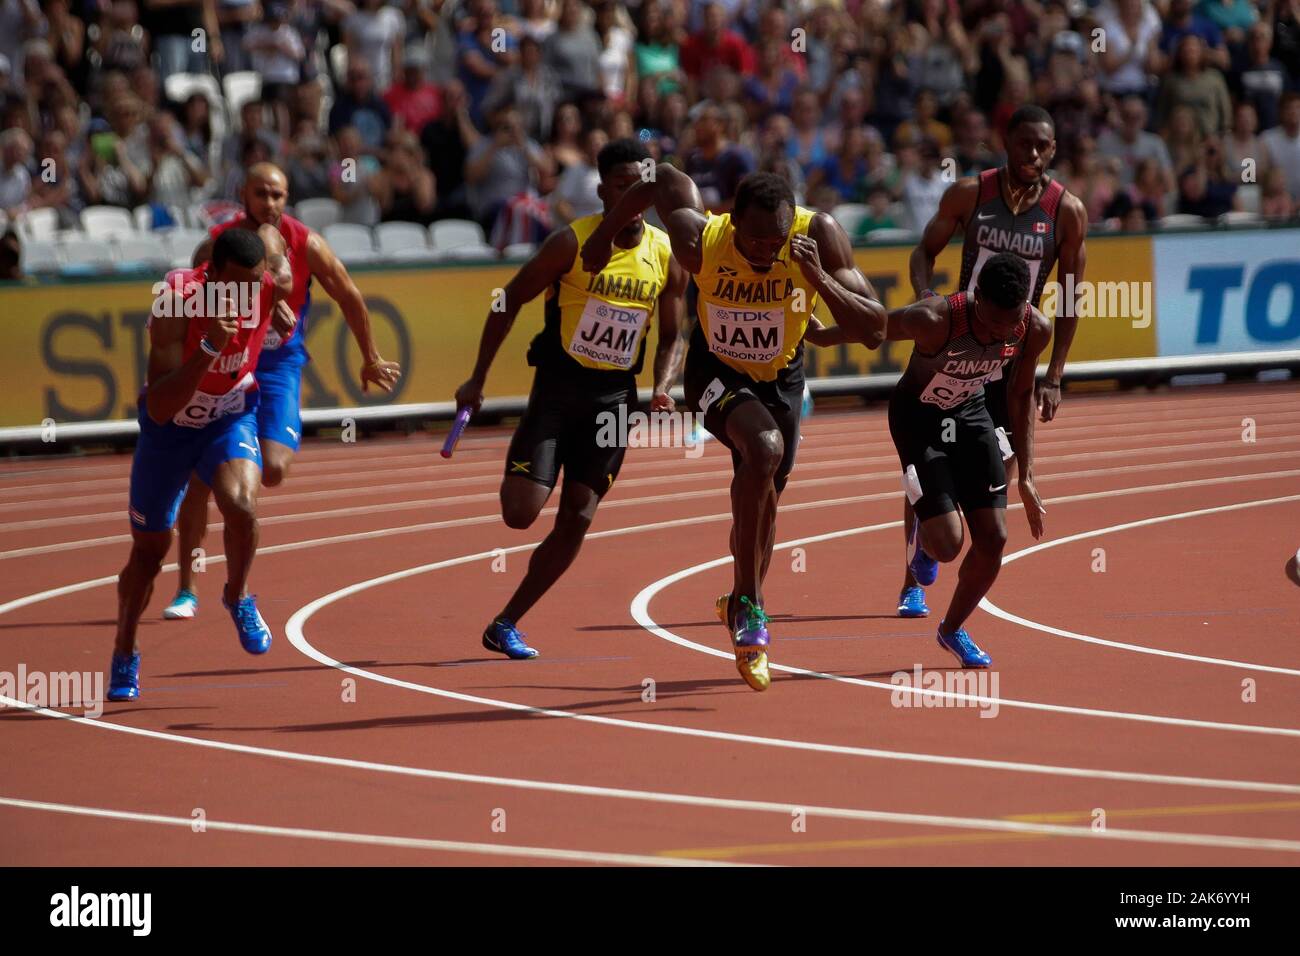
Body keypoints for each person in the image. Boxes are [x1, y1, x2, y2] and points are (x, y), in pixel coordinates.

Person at [581, 169, 885, 691]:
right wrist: (605, 231)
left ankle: (741, 592)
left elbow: (874, 330)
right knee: (764, 452)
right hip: (715, 373)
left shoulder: (818, 235)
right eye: (758, 241)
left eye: (778, 240)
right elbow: (658, 180)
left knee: (766, 499)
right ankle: (750, 605)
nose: (769, 251)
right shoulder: (700, 238)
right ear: (732, 221)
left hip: (782, 376)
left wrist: (819, 280)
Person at [454, 138, 688, 660]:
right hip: (559, 391)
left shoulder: (665, 255)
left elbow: (674, 333)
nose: (635, 199)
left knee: (578, 517)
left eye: (642, 188)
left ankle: (506, 622)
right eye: (623, 188)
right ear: (603, 192)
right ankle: (529, 467)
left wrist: (662, 388)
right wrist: (476, 379)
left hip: (614, 401)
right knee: (521, 513)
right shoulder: (570, 244)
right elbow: (507, 300)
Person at [160, 162, 402, 621]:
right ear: (243, 194)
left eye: (278, 195)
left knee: (272, 469)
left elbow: (348, 293)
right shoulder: (219, 245)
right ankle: (187, 589)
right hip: (223, 363)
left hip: (276, 366)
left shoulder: (306, 242)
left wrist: (370, 356)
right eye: (261, 193)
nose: (269, 203)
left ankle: (235, 473)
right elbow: (191, 297)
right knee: (197, 479)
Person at [899, 104, 1086, 619]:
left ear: (1053, 148)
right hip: (958, 340)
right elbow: (924, 250)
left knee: (999, 462)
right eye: (1025, 143)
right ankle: (913, 573)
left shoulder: (1065, 210)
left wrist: (1055, 375)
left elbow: (1071, 297)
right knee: (926, 456)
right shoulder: (970, 193)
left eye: (1044, 146)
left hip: (1013, 352)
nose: (1034, 154)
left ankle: (945, 548)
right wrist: (924, 297)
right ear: (1006, 141)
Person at [107, 229, 293, 701]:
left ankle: (237, 595)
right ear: (212, 274)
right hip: (170, 431)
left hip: (229, 417)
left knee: (241, 506)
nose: (249, 294)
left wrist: (275, 317)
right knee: (149, 553)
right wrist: (208, 349)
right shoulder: (175, 302)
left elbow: (279, 255)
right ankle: (125, 647)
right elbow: (161, 407)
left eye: (256, 283)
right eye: (239, 285)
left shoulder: (264, 286)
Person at [885, 253, 1050, 668]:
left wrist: (1026, 476)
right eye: (992, 324)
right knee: (948, 545)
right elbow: (871, 328)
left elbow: (1019, 394)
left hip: (971, 414)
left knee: (994, 538)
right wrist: (816, 333)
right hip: (918, 418)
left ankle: (952, 629)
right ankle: (925, 525)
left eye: (1008, 324)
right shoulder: (937, 318)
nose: (1000, 335)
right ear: (978, 300)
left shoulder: (1032, 328)